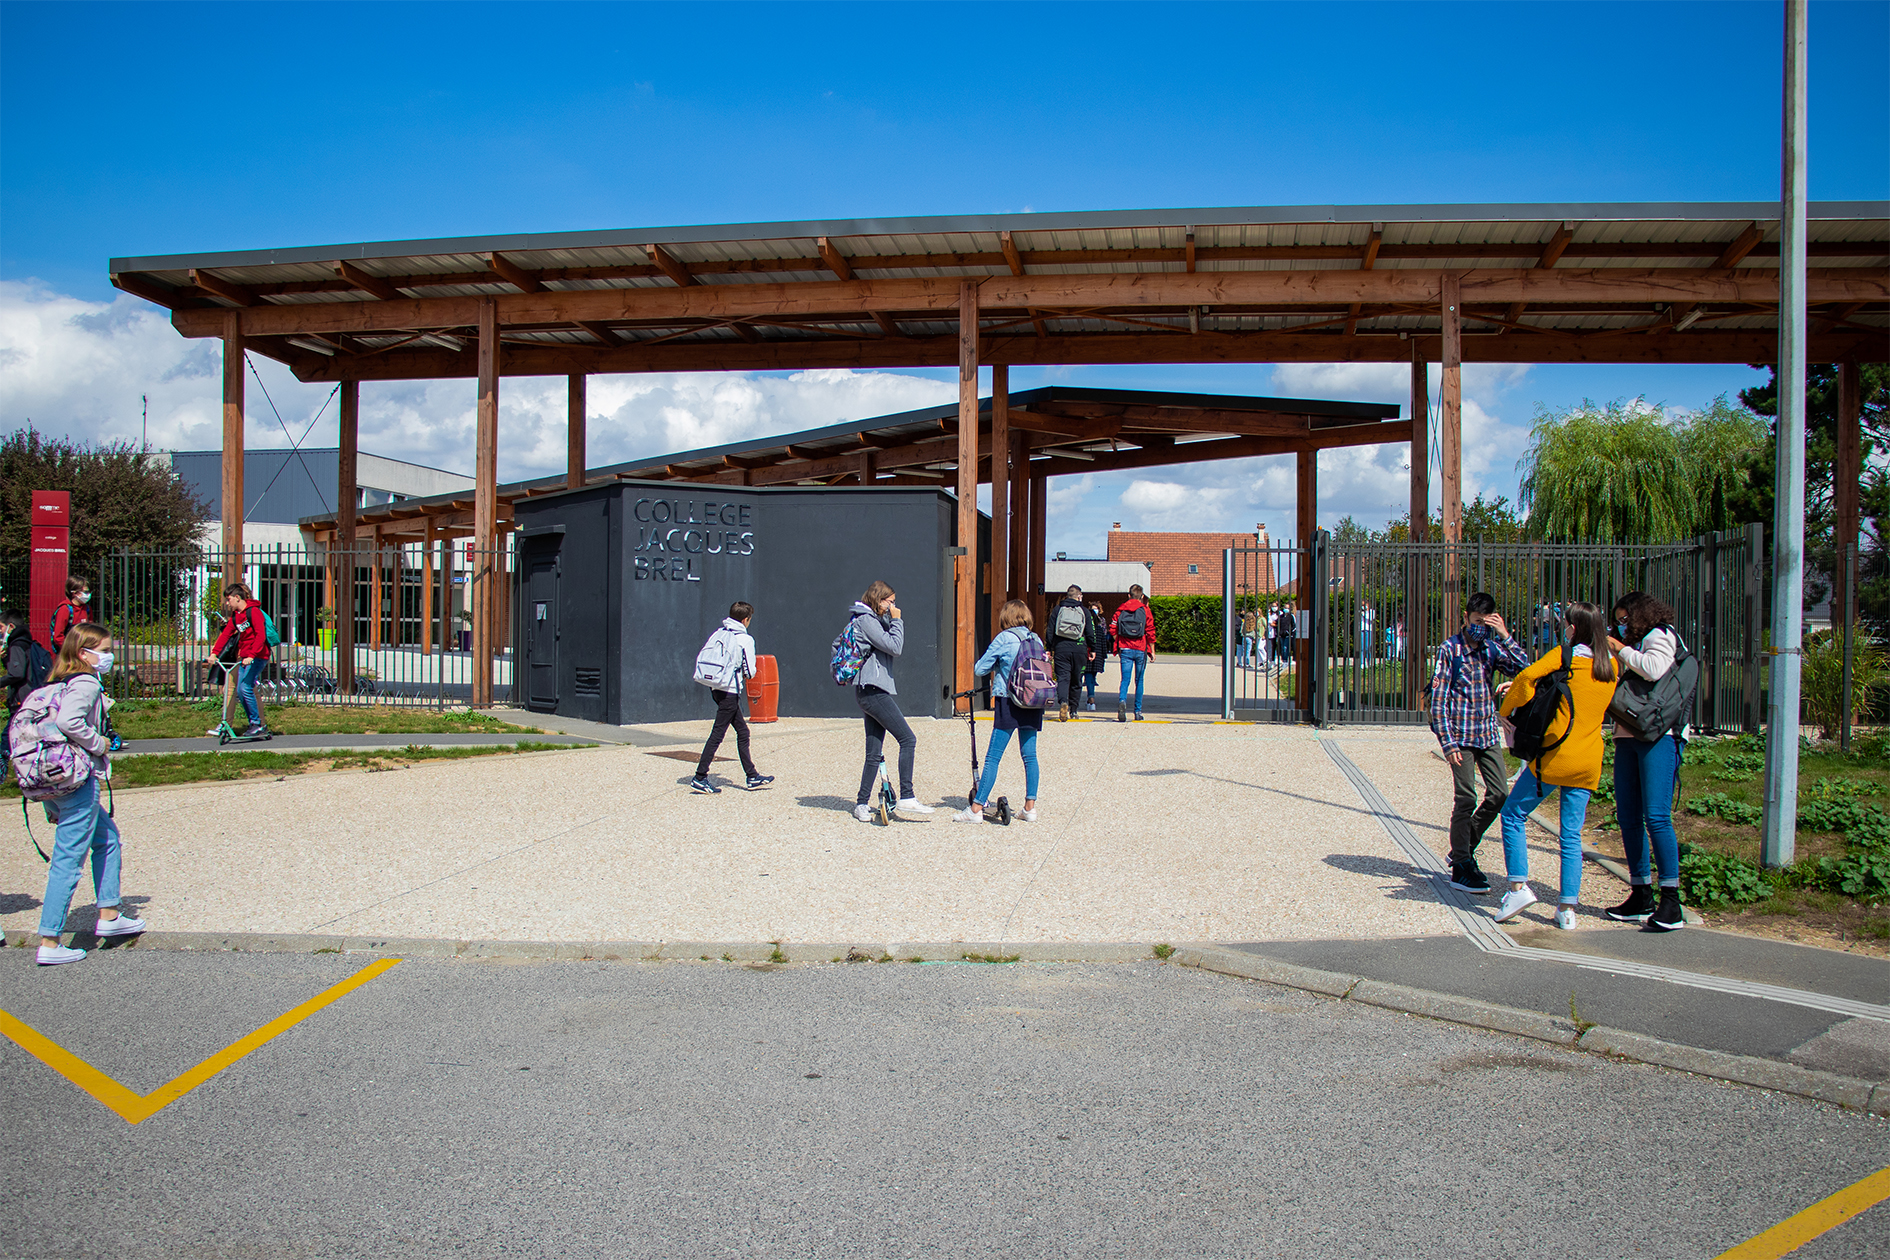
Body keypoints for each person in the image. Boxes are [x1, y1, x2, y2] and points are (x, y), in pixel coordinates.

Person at [1494, 602, 1621, 930]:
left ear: (1573, 628)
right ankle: (1566, 909)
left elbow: (1526, 677)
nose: (1563, 628)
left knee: (1513, 814)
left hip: (1554, 756)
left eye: (1566, 624)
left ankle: (1518, 888)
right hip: (1589, 759)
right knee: (1571, 834)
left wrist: (1506, 710)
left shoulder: (1564, 655)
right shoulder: (1611, 667)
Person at [29, 622, 145, 965]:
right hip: (77, 779)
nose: (109, 656)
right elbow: (69, 723)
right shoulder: (85, 683)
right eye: (105, 650)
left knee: (107, 838)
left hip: (54, 776)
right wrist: (100, 744)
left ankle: (110, 914)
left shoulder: (55, 683)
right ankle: (50, 940)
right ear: (84, 653)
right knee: (68, 860)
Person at [1427, 592, 1531, 895]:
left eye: (1484, 623)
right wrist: (1447, 744)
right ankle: (1461, 863)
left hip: (1486, 734)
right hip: (1460, 736)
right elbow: (1438, 700)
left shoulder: (1491, 648)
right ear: (1465, 617)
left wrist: (1505, 635)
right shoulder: (1451, 649)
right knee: (1466, 798)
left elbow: (1525, 671)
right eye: (1475, 622)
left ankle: (1463, 844)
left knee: (1499, 794)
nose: (1478, 628)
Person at [1604, 590, 1688, 932]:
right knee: (1627, 815)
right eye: (1618, 622)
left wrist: (1620, 649)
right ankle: (1640, 893)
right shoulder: (1638, 642)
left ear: (1641, 615)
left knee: (1655, 816)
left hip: (1659, 737)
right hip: (1628, 735)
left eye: (1626, 620)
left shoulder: (1660, 635)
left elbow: (1654, 670)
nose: (1622, 627)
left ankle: (1671, 900)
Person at [845, 580, 933, 822]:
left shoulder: (870, 620)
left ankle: (861, 804)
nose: (893, 605)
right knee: (908, 739)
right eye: (890, 601)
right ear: (878, 599)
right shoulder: (867, 621)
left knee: (873, 752)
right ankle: (907, 795)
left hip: (870, 690)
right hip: (873, 691)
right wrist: (898, 620)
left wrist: (890, 619)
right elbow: (895, 647)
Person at [954, 599, 1042, 824]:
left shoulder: (1004, 638)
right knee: (1030, 756)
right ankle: (1030, 808)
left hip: (1009, 700)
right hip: (1033, 700)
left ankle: (975, 809)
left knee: (993, 756)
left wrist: (1001, 665)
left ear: (1006, 617)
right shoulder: (1036, 639)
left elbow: (979, 668)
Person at [690, 601, 773, 795]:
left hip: (716, 688)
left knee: (743, 732)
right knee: (717, 735)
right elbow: (750, 671)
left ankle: (752, 776)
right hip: (730, 691)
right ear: (746, 619)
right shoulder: (745, 639)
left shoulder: (719, 633)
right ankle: (700, 777)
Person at [210, 582, 272, 737]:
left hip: (258, 656)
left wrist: (251, 655)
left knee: (245, 688)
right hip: (246, 657)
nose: (227, 602)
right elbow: (226, 634)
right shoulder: (236, 616)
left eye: (228, 599)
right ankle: (255, 723)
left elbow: (260, 636)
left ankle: (257, 724)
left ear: (237, 598)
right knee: (241, 689)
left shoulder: (254, 612)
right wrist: (214, 653)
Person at [1048, 584, 1095, 722]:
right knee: (1076, 679)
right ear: (1079, 596)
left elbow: (1050, 630)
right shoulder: (1084, 611)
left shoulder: (1058, 609)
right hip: (1079, 648)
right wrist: (1092, 649)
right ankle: (1074, 710)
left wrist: (1049, 648)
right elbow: (1090, 632)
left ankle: (1063, 702)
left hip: (1061, 648)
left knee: (1063, 678)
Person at [1110, 583, 1157, 722]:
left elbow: (1112, 628)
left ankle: (1122, 701)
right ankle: (1137, 711)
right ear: (1142, 596)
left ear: (1128, 595)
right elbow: (1150, 631)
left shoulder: (1120, 610)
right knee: (1139, 680)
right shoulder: (1145, 610)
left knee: (1125, 679)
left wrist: (1118, 642)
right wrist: (1152, 651)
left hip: (1125, 648)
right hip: (1141, 649)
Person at [49, 576, 91, 649]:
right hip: (68, 650)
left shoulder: (87, 609)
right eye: (85, 592)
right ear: (75, 593)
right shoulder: (65, 609)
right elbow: (58, 637)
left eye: (89, 592)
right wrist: (71, 650)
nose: (88, 595)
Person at [1082, 601, 1108, 711]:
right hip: (1098, 656)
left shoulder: (1085, 630)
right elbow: (1103, 644)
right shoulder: (1099, 630)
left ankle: (1090, 697)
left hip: (1087, 654)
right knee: (1092, 676)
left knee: (1088, 676)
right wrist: (1103, 656)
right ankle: (1091, 697)